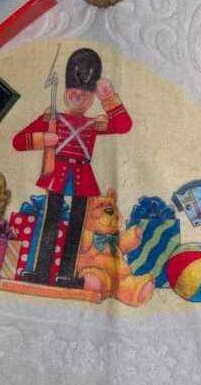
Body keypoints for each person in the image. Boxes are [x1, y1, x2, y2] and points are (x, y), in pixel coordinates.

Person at [12, 48, 133, 288]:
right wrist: (42, 139)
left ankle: (67, 275)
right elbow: (18, 141)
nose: (79, 97)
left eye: (85, 94)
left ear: (91, 97)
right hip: (56, 175)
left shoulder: (94, 123)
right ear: (66, 92)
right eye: (74, 92)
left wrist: (109, 98)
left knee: (76, 228)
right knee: (50, 222)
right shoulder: (51, 118)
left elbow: (123, 125)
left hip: (83, 177)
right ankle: (40, 271)